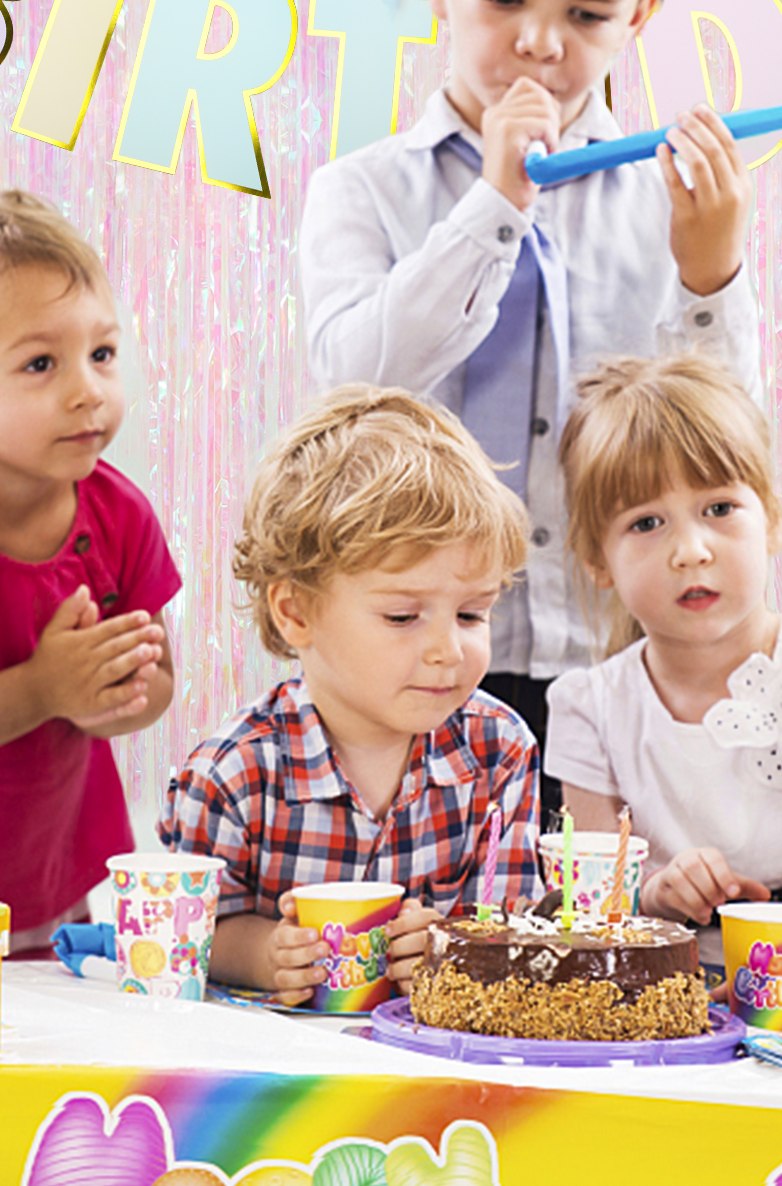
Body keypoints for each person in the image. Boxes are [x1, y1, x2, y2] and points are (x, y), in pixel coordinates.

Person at [300, 0, 761, 802]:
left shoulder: (670, 201)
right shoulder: (362, 192)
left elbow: (724, 446)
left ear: (640, 14)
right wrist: (492, 207)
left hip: (617, 667)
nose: (542, 44)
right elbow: (358, 382)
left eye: (587, 14)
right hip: (408, 671)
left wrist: (709, 273)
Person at [160, 386, 541, 1001]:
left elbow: (518, 930)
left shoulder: (500, 752)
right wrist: (264, 955)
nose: (448, 649)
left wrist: (452, 947)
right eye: (402, 617)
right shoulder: (232, 774)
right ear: (295, 612)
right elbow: (190, 933)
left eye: (472, 614)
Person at [0, 190, 178, 955]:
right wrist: (43, 689)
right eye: (41, 363)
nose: (89, 391)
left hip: (60, 877)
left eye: (101, 354)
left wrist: (108, 695)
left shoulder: (120, 515)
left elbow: (159, 683)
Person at [545, 354, 782, 982]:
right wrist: (655, 894)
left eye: (719, 509)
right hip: (647, 990)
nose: (691, 550)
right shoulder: (588, 708)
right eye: (647, 523)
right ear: (597, 560)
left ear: (773, 520)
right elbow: (589, 907)